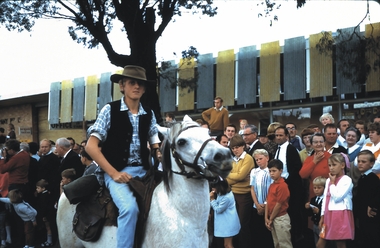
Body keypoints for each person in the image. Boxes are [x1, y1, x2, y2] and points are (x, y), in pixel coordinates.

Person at [85, 65, 161, 248]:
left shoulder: (149, 113)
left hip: (145, 170)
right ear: (122, 86)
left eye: (141, 84)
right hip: (117, 171)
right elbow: (91, 147)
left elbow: (155, 141)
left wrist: (158, 152)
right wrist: (113, 173)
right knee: (129, 209)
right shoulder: (109, 110)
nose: (137, 87)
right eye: (132, 83)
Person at [273, 126, 304, 244]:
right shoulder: (277, 149)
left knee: (292, 214)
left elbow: (296, 168)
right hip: (279, 185)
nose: (279, 138)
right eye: (277, 135)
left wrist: (287, 183)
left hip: (291, 187)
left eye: (281, 135)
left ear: (287, 136)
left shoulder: (291, 149)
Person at [317, 153, 354, 248]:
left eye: (334, 165)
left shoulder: (346, 180)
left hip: (340, 214)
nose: (331, 168)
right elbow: (325, 198)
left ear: (342, 165)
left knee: (340, 243)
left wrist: (333, 184)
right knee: (320, 243)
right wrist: (322, 216)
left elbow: (338, 197)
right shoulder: (329, 180)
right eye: (329, 165)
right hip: (328, 214)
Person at [226, 135, 254, 248]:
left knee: (243, 224)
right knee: (234, 224)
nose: (235, 150)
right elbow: (233, 179)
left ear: (243, 146)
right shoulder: (233, 160)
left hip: (244, 195)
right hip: (233, 194)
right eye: (233, 148)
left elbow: (240, 176)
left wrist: (227, 175)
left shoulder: (248, 158)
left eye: (237, 147)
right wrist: (234, 178)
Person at [353, 150, 380, 248]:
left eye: (363, 162)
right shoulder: (363, 177)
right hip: (362, 216)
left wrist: (372, 206)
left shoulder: (373, 178)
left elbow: (377, 195)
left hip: (371, 217)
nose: (360, 164)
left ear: (372, 164)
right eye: (359, 161)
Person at [265, 159, 292, 248]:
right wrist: (266, 218)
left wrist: (271, 219)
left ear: (281, 171)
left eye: (274, 171)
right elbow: (268, 202)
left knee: (284, 244)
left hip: (281, 218)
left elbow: (279, 204)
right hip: (272, 217)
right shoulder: (272, 185)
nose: (272, 173)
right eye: (270, 171)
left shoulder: (282, 186)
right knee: (276, 243)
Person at [250, 149, 274, 248]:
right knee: (257, 231)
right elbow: (252, 188)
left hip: (268, 205)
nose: (258, 161)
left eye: (261, 159)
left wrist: (264, 204)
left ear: (267, 158)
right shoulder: (254, 171)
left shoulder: (270, 172)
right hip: (256, 206)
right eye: (256, 160)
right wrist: (256, 204)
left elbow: (271, 190)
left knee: (267, 232)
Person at [209, 178, 241, 248]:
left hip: (228, 225)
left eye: (214, 188)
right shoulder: (223, 193)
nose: (213, 189)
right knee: (226, 245)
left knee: (228, 245)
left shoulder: (226, 197)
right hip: (225, 223)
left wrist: (212, 200)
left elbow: (218, 209)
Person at [300, 133, 331, 201]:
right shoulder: (309, 159)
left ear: (325, 143)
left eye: (321, 142)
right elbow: (303, 175)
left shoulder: (330, 157)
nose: (318, 144)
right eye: (316, 142)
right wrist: (314, 161)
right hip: (313, 195)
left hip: (328, 194)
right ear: (311, 144)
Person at [305, 176, 326, 245]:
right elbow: (309, 214)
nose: (316, 190)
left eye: (319, 188)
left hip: (323, 226)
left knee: (323, 244)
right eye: (315, 188)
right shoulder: (313, 199)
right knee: (316, 242)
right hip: (315, 225)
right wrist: (307, 208)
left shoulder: (326, 200)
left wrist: (319, 212)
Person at [35, 179, 54, 247]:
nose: (37, 189)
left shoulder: (44, 196)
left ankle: (50, 241)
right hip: (47, 214)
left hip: (46, 215)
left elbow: (44, 207)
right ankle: (48, 240)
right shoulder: (46, 195)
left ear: (43, 188)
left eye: (38, 188)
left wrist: (44, 216)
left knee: (48, 228)